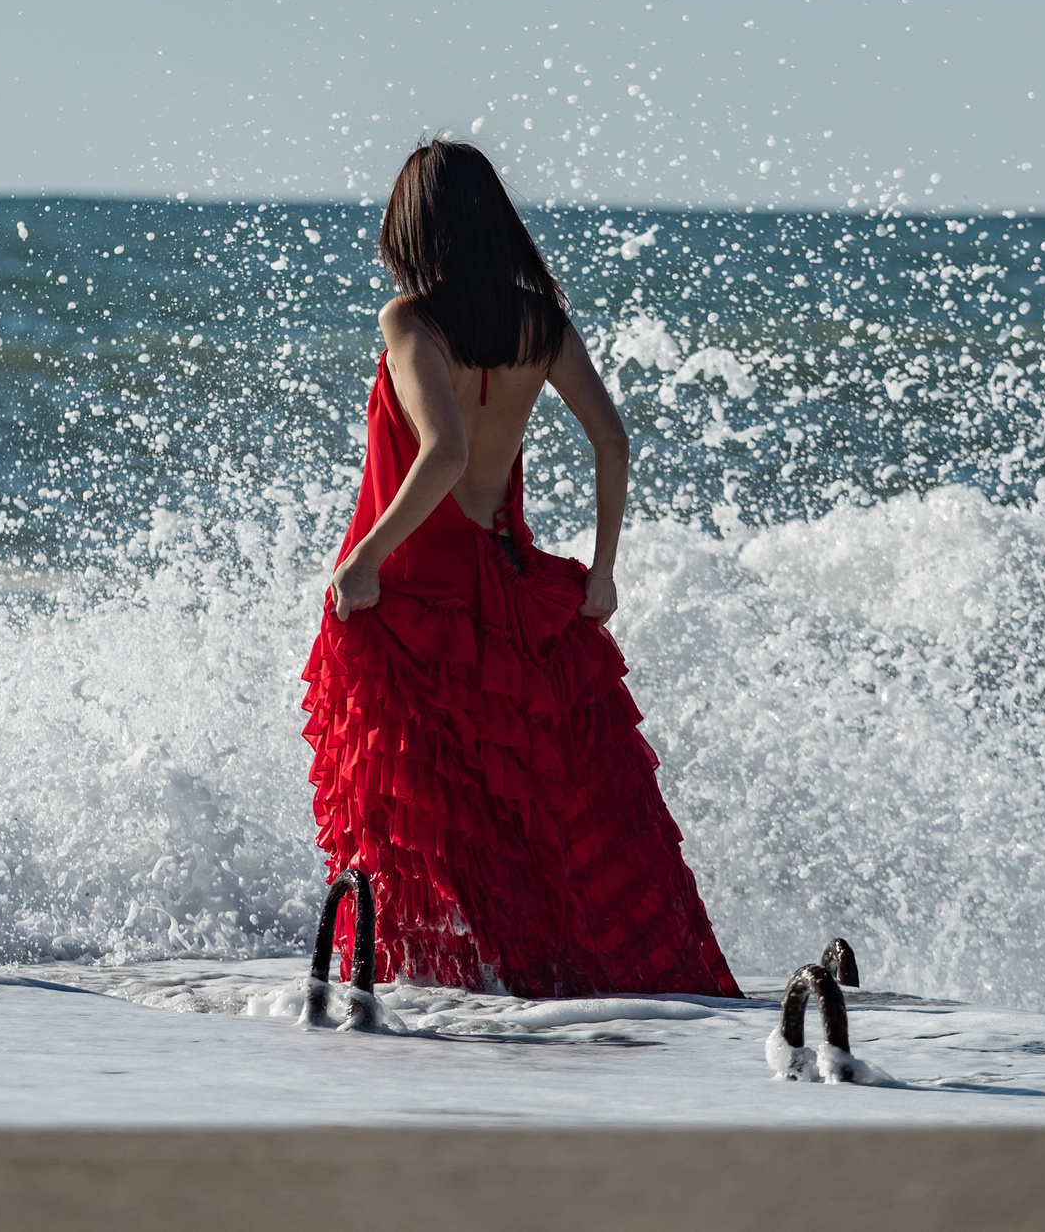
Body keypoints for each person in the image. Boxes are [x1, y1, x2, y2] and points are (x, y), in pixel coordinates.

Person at [300, 141, 740, 998]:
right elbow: (612, 439)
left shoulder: (409, 321)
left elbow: (444, 449)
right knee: (534, 821)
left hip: (414, 601)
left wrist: (364, 558)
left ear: (414, 230)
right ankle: (537, 993)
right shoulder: (540, 321)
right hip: (509, 594)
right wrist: (603, 574)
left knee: (416, 827)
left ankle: (427, 997)